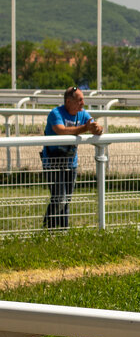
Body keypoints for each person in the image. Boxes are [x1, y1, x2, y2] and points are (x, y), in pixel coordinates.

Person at [41, 86, 103, 230]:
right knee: (60, 199)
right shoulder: (55, 113)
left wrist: (97, 128)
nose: (83, 102)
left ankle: (63, 231)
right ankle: (47, 229)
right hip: (52, 162)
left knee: (66, 200)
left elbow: (92, 124)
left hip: (70, 162)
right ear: (68, 102)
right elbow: (60, 130)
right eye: (80, 100)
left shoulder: (82, 113)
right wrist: (85, 128)